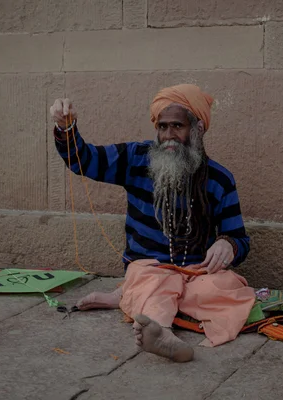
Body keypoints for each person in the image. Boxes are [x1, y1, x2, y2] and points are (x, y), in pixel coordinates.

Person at [50, 84, 255, 363]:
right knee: (153, 279)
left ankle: (126, 298)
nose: (169, 136)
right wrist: (66, 128)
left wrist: (228, 244)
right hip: (148, 270)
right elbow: (85, 160)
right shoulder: (136, 159)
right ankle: (161, 331)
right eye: (162, 127)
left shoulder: (220, 179)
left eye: (178, 127)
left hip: (195, 275)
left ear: (198, 129)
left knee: (230, 287)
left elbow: (240, 239)